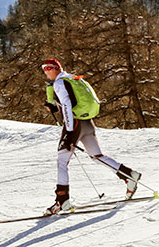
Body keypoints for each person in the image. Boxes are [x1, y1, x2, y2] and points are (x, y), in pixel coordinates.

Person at [40, 58, 142, 215]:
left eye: (47, 68)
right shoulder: (71, 78)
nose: (46, 72)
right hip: (86, 121)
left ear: (55, 69)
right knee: (96, 156)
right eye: (44, 69)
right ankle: (129, 175)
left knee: (62, 160)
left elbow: (67, 106)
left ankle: (62, 201)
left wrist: (68, 131)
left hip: (74, 124)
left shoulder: (60, 83)